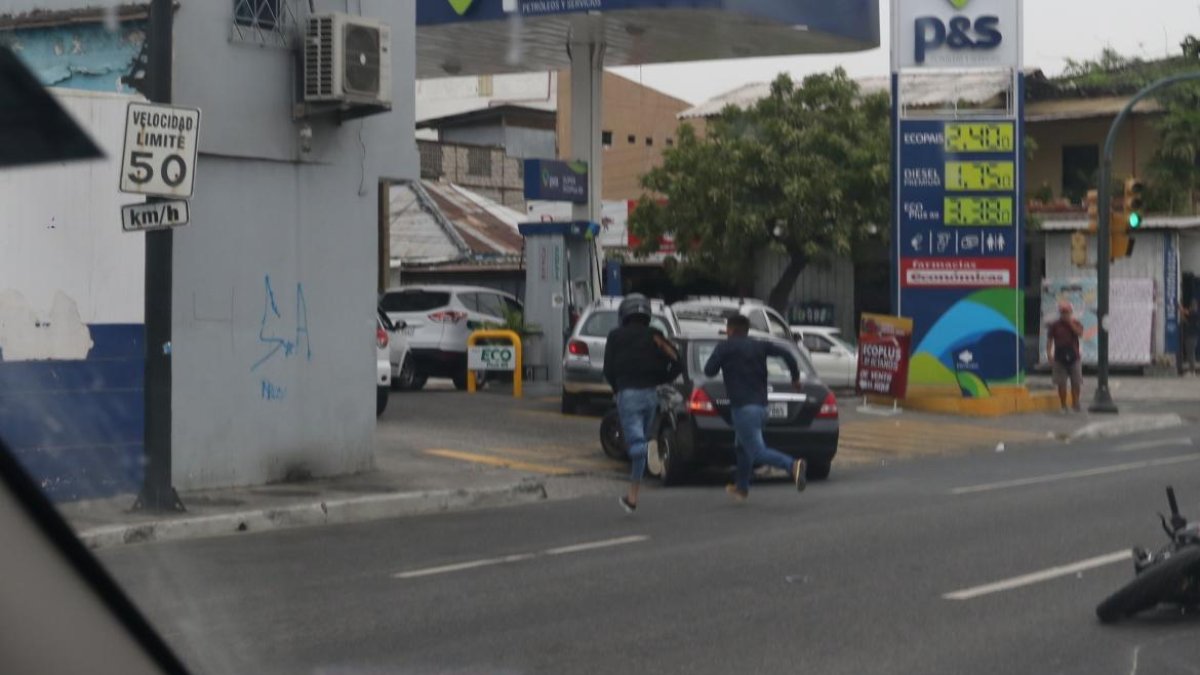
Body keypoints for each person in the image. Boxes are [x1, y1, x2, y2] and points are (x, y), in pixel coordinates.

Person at [703, 313, 807, 501]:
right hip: (761, 407)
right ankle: (742, 487)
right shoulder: (759, 345)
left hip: (743, 408)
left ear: (730, 329)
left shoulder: (725, 347)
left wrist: (723, 359)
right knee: (741, 447)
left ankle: (792, 465)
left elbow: (709, 371)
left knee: (757, 451)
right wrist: (795, 378)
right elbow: (787, 353)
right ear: (746, 330)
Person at [603, 294, 681, 513]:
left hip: (628, 394)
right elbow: (677, 362)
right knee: (640, 448)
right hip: (651, 395)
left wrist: (618, 389)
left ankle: (649, 448)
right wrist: (660, 379)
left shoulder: (616, 336)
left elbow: (608, 369)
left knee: (636, 446)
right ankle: (632, 497)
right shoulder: (656, 336)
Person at [1046, 299, 1084, 412]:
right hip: (1059, 357)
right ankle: (1063, 405)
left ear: (1071, 312)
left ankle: (1075, 403)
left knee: (1076, 382)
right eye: (1063, 312)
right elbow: (1050, 340)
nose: (1065, 314)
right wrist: (1049, 353)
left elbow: (1080, 333)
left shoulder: (1076, 323)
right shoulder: (1055, 325)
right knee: (1061, 383)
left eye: (1067, 312)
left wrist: (1070, 323)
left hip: (1074, 357)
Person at [1182, 299, 1200, 375]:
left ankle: (1192, 371)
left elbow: (1185, 312)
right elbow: (1187, 320)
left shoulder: (1195, 313)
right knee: (1190, 353)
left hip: (1191, 337)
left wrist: (1179, 306)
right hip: (1191, 336)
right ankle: (1191, 369)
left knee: (1191, 354)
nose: (1191, 307)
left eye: (1192, 305)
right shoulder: (1194, 314)